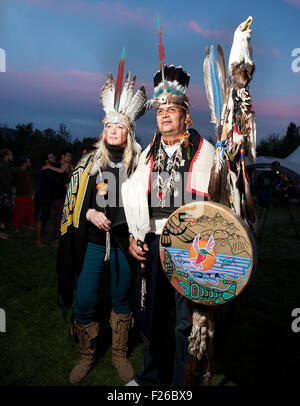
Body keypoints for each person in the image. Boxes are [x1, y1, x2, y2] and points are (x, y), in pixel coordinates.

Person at [122, 65, 215, 386]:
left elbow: (211, 211)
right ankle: (150, 377)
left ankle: (179, 383)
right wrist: (135, 236)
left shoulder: (204, 153)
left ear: (185, 115)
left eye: (171, 110)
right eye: (160, 111)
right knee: (151, 314)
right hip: (153, 244)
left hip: (189, 250)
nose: (164, 116)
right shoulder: (149, 153)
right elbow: (133, 195)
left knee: (182, 322)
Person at [56, 65, 147, 384]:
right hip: (93, 242)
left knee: (122, 297)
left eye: (119, 126)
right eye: (109, 125)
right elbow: (72, 205)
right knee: (85, 299)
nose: (113, 130)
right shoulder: (87, 164)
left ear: (128, 132)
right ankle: (87, 354)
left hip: (124, 243)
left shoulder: (139, 165)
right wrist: (88, 214)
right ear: (103, 130)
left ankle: (120, 353)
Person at [34, 152, 62, 246]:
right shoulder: (44, 170)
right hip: (41, 198)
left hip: (47, 198)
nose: (53, 157)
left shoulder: (50, 169)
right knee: (40, 219)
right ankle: (38, 240)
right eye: (50, 157)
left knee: (45, 219)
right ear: (46, 160)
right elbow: (57, 180)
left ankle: (42, 238)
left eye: (53, 156)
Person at [12, 156, 35, 232]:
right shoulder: (17, 171)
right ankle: (17, 227)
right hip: (20, 195)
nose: (29, 163)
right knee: (19, 212)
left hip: (28, 194)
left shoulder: (29, 170)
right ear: (24, 163)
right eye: (28, 162)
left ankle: (29, 225)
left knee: (30, 211)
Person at [0, 149, 14, 240]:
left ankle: (2, 231)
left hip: (5, 192)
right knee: (5, 212)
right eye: (11, 154)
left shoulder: (7, 165)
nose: (12, 156)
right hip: (3, 193)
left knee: (7, 211)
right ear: (6, 155)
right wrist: (9, 193)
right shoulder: (3, 165)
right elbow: (4, 181)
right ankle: (1, 232)